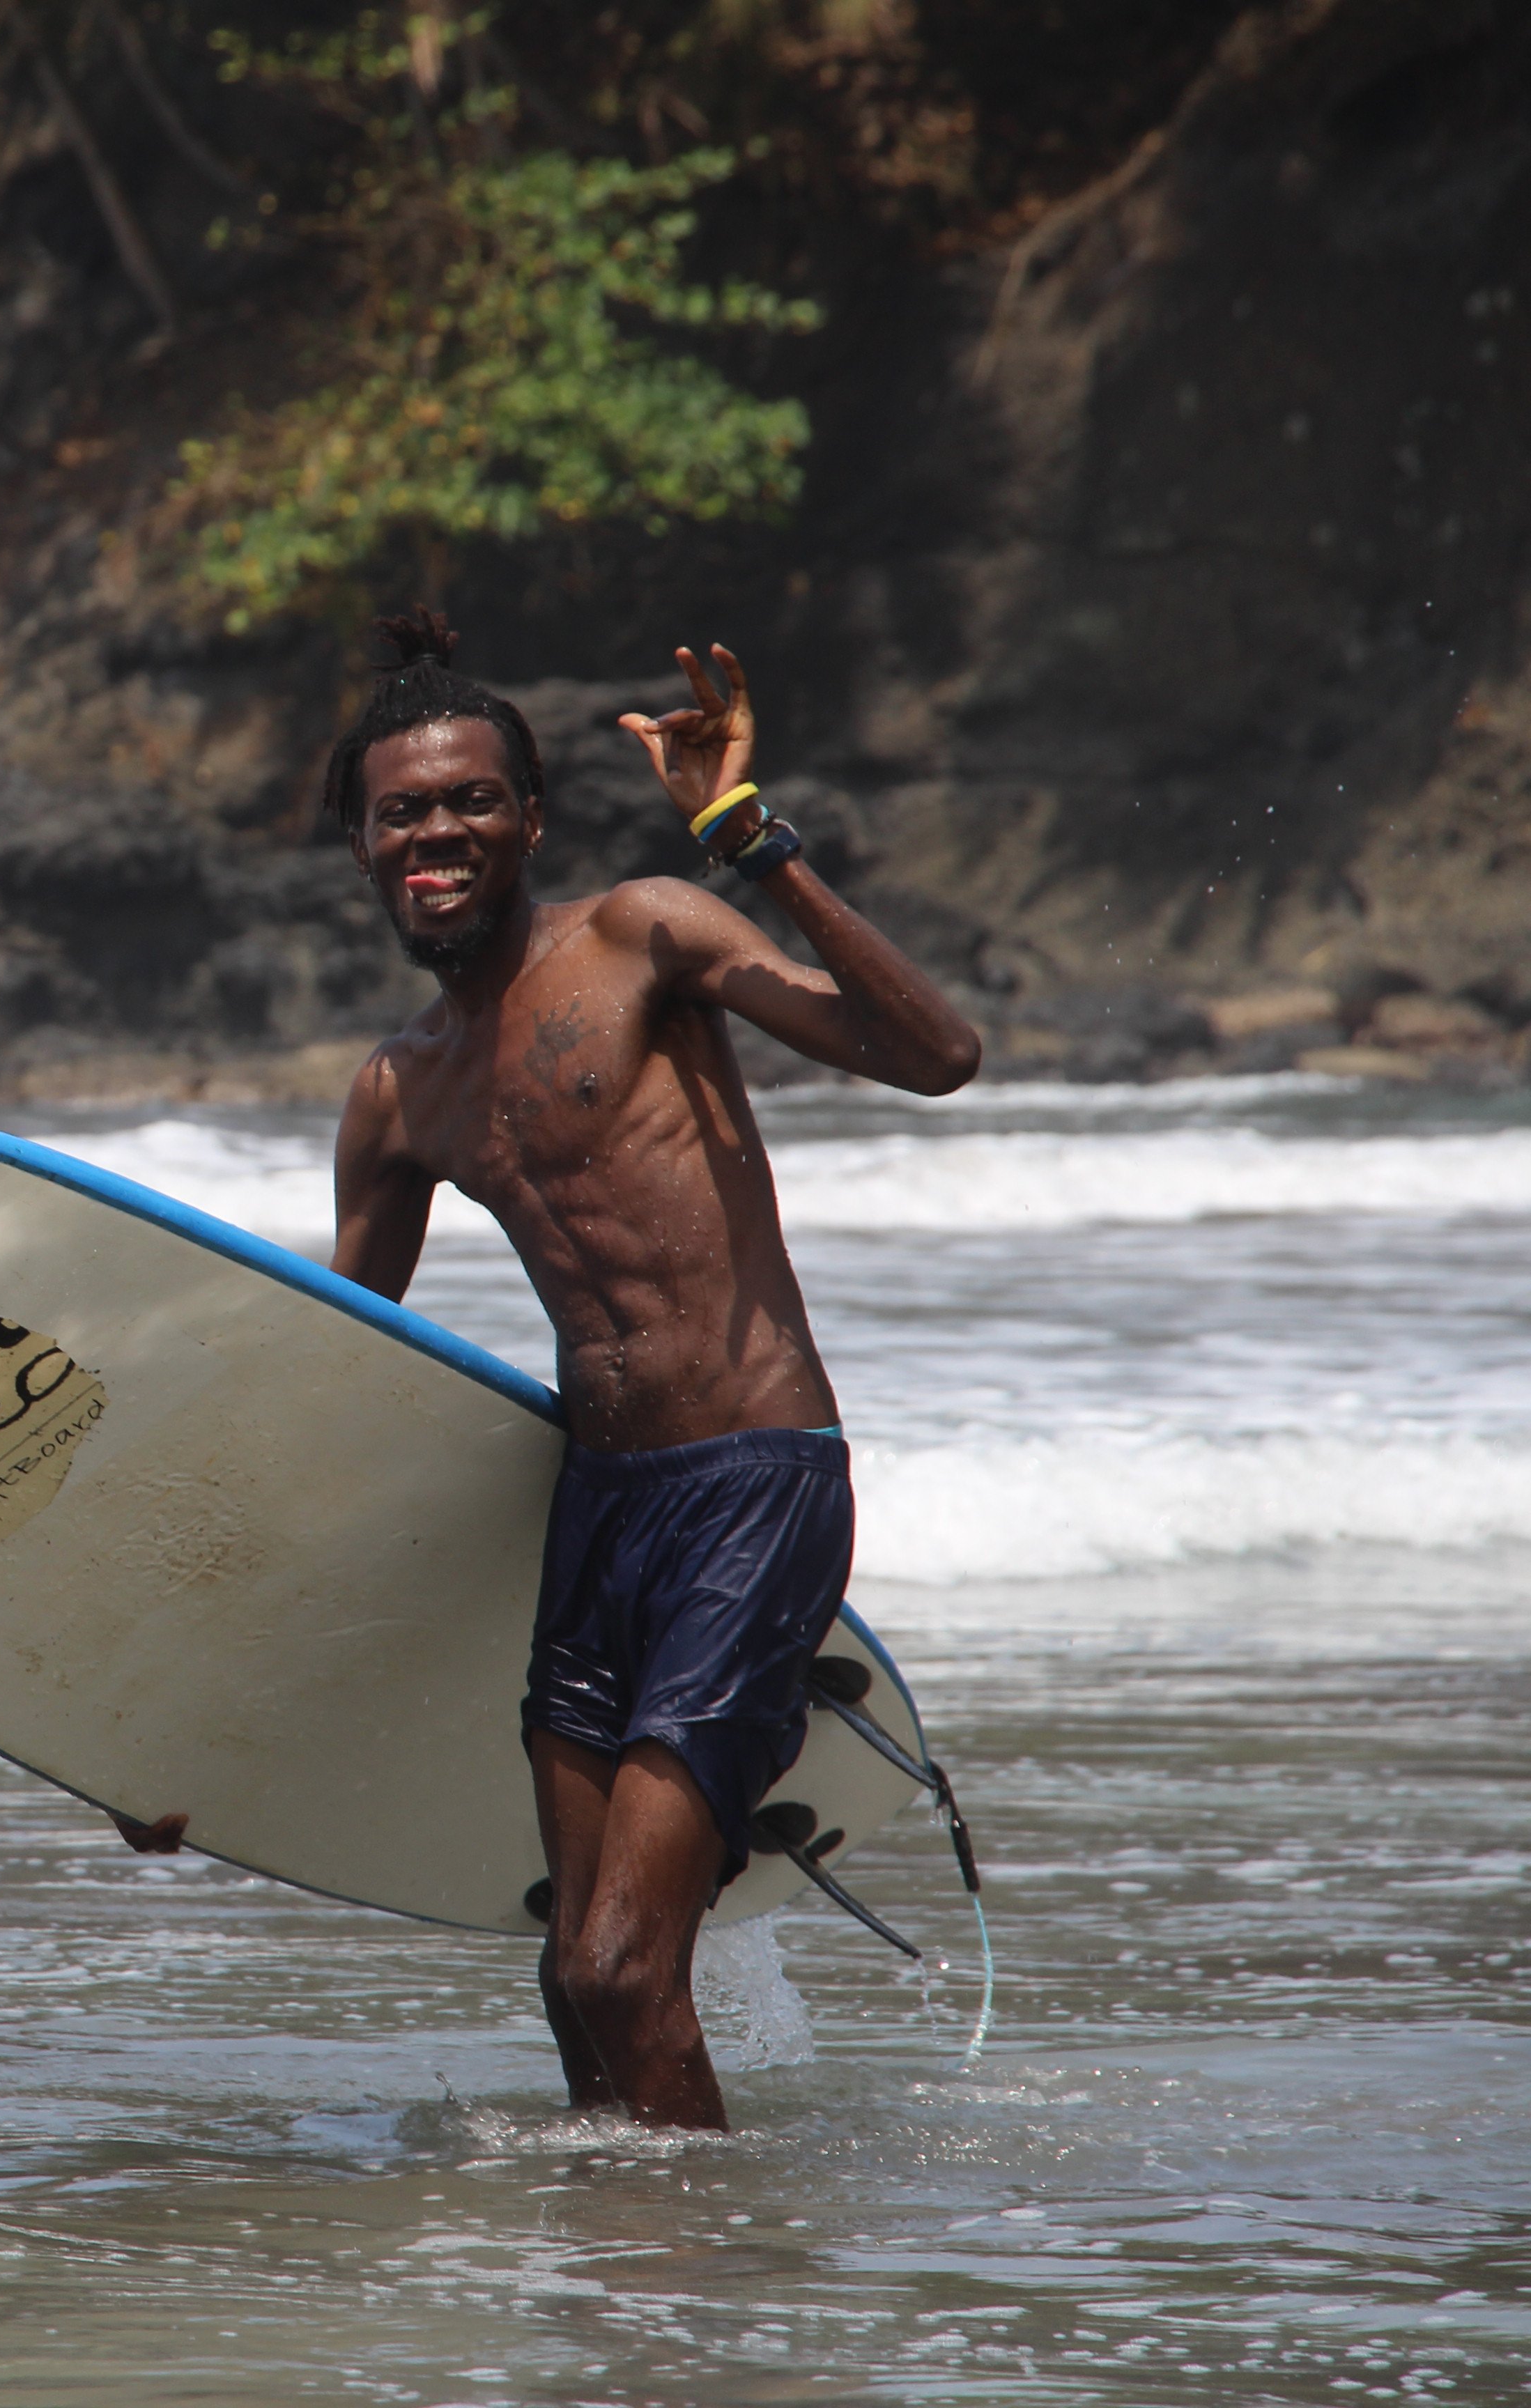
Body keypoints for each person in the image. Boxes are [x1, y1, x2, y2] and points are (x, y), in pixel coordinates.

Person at [314, 609, 979, 2127]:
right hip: (597, 1511)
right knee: (576, 1972)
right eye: (402, 809)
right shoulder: (397, 1094)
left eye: (472, 799)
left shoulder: (645, 934)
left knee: (624, 1968)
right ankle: (638, 2295)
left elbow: (935, 1055)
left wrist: (750, 836)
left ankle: (704, 2297)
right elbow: (341, 1371)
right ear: (362, 847)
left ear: (529, 818)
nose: (438, 830)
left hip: (752, 1482)